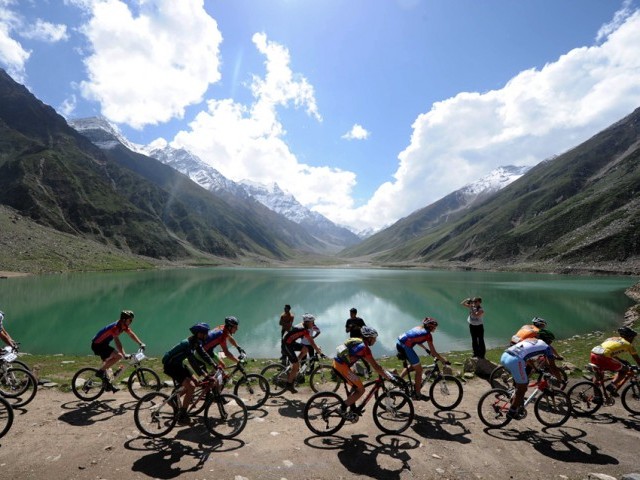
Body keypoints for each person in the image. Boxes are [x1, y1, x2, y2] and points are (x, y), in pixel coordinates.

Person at [333, 326, 396, 419]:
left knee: (355, 382)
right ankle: (341, 408)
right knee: (361, 390)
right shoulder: (365, 348)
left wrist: (378, 368)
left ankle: (352, 408)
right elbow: (376, 367)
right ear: (369, 338)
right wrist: (389, 378)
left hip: (338, 363)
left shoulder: (359, 342)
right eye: (374, 338)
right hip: (342, 367)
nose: (375, 341)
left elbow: (371, 362)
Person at [499, 329, 564, 419]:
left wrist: (535, 368)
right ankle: (512, 411)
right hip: (515, 361)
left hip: (505, 356)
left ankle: (515, 398)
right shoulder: (546, 347)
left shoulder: (530, 340)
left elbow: (529, 359)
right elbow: (553, 367)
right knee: (523, 388)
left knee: (520, 383)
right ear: (548, 341)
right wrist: (560, 380)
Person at [162, 322, 218, 424]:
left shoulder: (196, 342)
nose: (207, 335)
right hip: (170, 366)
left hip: (178, 364)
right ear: (199, 334)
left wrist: (214, 364)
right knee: (191, 386)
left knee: (196, 382)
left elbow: (203, 353)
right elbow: (192, 362)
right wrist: (205, 375)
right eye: (205, 333)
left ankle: (174, 398)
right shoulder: (187, 344)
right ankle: (183, 415)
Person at [90, 310, 145, 393]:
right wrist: (123, 354)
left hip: (103, 344)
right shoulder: (115, 327)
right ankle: (100, 372)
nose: (131, 321)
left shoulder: (123, 326)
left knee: (108, 365)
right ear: (124, 319)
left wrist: (140, 343)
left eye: (131, 320)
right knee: (119, 356)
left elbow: (131, 334)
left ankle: (107, 384)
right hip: (98, 345)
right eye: (130, 320)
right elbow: (117, 342)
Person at [396, 317, 449, 401]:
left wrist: (426, 349)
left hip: (399, 343)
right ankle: (417, 394)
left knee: (414, 365)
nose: (435, 328)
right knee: (419, 370)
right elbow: (434, 353)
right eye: (434, 327)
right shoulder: (428, 335)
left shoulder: (418, 328)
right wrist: (443, 360)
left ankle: (398, 380)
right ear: (429, 326)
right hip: (405, 347)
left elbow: (416, 340)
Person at [590, 326, 640, 397]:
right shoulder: (628, 345)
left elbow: (608, 350)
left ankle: (597, 397)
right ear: (629, 337)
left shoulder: (612, 338)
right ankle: (611, 385)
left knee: (599, 376)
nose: (633, 339)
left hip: (593, 353)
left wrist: (620, 360)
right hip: (603, 356)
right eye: (632, 337)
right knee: (624, 370)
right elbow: (637, 359)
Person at [281, 313, 323, 393]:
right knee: (296, 366)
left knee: (305, 349)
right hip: (287, 344)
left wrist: (317, 350)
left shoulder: (303, 326)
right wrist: (319, 352)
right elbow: (311, 342)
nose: (313, 324)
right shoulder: (303, 329)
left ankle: (296, 362)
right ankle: (289, 385)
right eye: (312, 322)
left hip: (290, 342)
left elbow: (310, 342)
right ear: (307, 322)